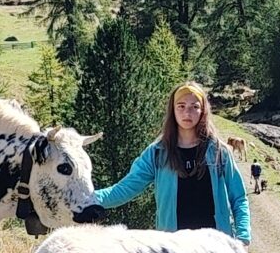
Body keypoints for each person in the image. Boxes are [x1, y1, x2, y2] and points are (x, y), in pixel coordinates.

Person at [92, 82, 252, 242]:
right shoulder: (157, 153)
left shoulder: (219, 151)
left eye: (194, 107)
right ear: (172, 110)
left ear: (203, 110)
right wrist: (87, 198)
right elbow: (124, 189)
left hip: (216, 250)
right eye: (181, 106)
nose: (187, 112)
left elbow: (238, 197)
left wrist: (243, 237)